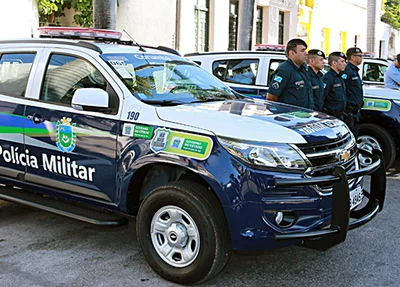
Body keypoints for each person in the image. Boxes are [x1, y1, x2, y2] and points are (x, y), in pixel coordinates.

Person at [267, 38, 313, 109]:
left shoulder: (303, 69)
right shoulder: (284, 70)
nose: (306, 53)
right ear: (292, 53)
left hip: (304, 116)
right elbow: (271, 97)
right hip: (290, 117)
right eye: (302, 50)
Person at [342, 47, 364, 137]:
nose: (361, 58)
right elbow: (342, 89)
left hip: (356, 111)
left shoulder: (354, 70)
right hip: (350, 111)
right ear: (352, 57)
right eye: (359, 56)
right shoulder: (347, 71)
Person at [322, 52, 347, 120]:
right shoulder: (328, 78)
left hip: (340, 115)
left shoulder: (339, 77)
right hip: (331, 116)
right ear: (334, 63)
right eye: (342, 61)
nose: (345, 64)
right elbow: (322, 97)